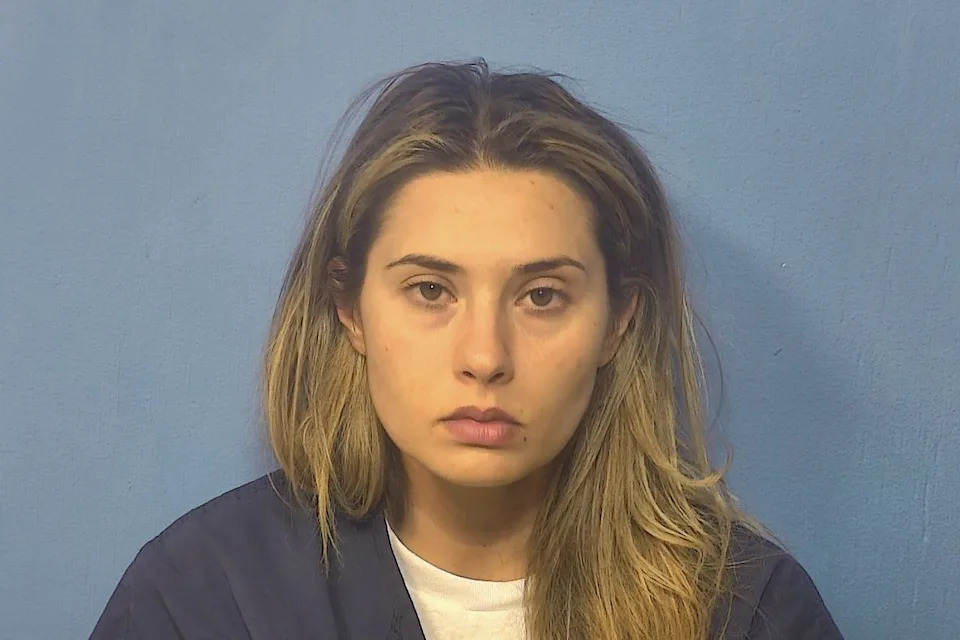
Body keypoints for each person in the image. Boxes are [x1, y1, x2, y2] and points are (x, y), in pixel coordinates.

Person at [90, 59, 843, 639]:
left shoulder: (745, 612)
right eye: (430, 290)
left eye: (541, 296)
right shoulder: (202, 600)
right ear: (349, 309)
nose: (484, 358)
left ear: (618, 321)